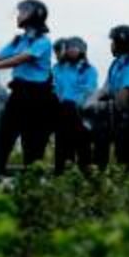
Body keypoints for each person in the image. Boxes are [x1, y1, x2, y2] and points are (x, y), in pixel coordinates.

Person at [0, 0, 56, 175]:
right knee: (4, 137)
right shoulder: (18, 40)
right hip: (18, 95)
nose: (19, 15)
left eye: (23, 12)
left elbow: (21, 58)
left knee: (32, 144)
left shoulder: (43, 41)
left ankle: (33, 187)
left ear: (35, 15)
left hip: (37, 99)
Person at [99, 25, 129, 169]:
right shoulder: (116, 64)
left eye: (113, 42)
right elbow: (105, 88)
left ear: (121, 43)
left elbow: (123, 96)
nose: (111, 45)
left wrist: (110, 107)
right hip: (119, 114)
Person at [51, 37, 97, 174]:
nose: (71, 49)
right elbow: (54, 87)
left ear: (82, 50)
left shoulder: (89, 70)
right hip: (61, 112)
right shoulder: (58, 68)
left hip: (80, 114)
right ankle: (60, 177)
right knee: (62, 150)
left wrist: (74, 102)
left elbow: (88, 90)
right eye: (69, 46)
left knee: (83, 150)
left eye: (75, 47)